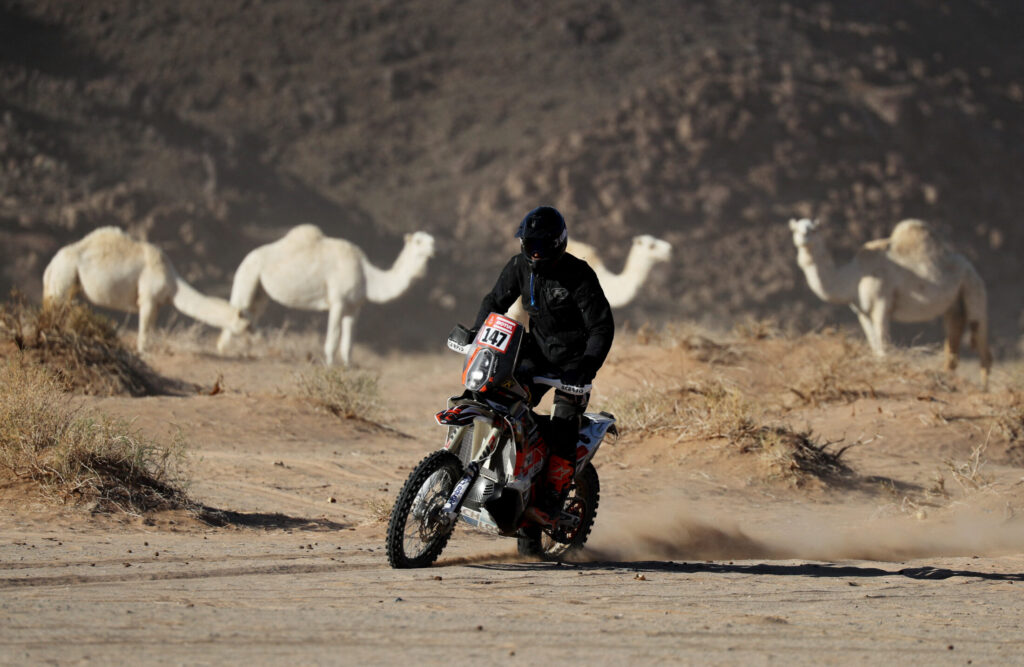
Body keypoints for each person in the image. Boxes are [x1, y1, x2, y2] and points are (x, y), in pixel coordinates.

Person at [471, 205, 614, 527]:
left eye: (542, 244)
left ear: (558, 243)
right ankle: (503, 476)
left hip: (573, 365)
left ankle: (549, 504)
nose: (534, 251)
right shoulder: (518, 266)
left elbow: (602, 326)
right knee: (498, 402)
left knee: (564, 427)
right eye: (529, 243)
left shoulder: (579, 274)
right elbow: (494, 302)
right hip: (534, 355)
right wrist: (476, 332)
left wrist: (586, 367)